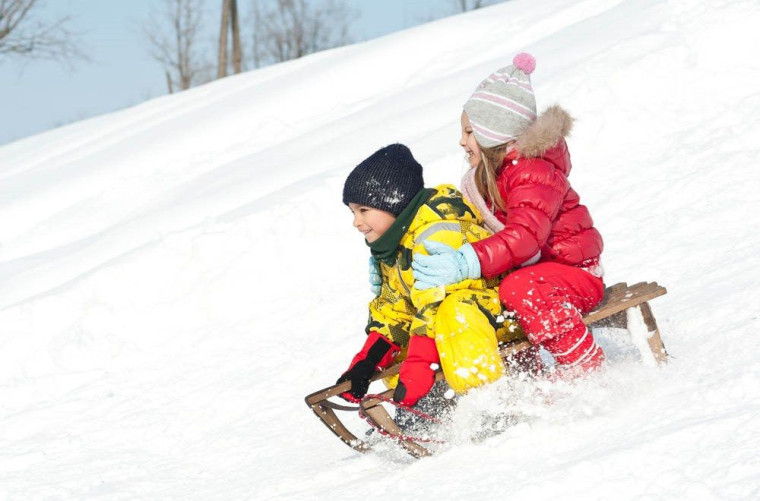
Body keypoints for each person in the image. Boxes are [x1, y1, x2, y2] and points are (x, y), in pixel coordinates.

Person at [411, 53, 606, 376]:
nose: (462, 141)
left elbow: (526, 237)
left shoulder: (533, 171)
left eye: (469, 132)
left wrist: (466, 262)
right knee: (492, 293)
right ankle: (526, 379)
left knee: (517, 288)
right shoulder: (493, 177)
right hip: (543, 274)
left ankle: (584, 366)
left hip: (574, 274)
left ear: (493, 134)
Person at [336, 143, 528, 408]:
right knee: (401, 347)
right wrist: (366, 363)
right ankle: (426, 407)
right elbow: (395, 312)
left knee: (454, 311)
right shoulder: (393, 246)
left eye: (363, 210)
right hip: (458, 326)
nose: (356, 222)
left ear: (393, 201)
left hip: (501, 316)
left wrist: (419, 367)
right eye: (353, 212)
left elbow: (436, 305)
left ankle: (486, 402)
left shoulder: (436, 234)